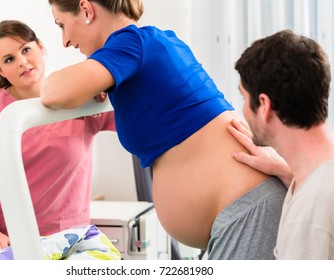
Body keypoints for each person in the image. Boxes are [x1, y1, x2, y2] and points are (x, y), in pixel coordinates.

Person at [40, 0, 287, 259]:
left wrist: (90, 78)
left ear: (86, 10)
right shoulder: (152, 44)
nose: (65, 41)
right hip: (242, 215)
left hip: (248, 214)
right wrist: (99, 79)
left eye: (62, 25)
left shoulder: (132, 43)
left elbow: (52, 91)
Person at [0, 20, 115, 255]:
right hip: (5, 243)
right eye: (9, 59)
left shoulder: (79, 97)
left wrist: (110, 88)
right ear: (0, 70)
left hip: (69, 241)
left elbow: (137, 122)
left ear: (40, 47)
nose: (22, 62)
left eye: (26, 49)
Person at [230, 29, 334, 259]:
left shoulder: (311, 215)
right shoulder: (315, 175)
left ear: (264, 105)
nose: (243, 110)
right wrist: (283, 169)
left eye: (244, 99)